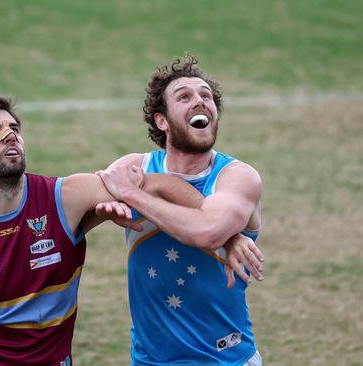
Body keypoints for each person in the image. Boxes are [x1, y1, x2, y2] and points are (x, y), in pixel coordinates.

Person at [0, 96, 261, 366]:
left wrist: (225, 231)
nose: (10, 136)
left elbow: (156, 183)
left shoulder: (65, 198)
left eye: (14, 129)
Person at [96, 54, 265, 365]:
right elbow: (86, 200)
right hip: (150, 361)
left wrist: (138, 194)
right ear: (162, 121)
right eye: (184, 96)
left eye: (206, 96)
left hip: (225, 359)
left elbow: (207, 231)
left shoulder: (237, 177)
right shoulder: (135, 167)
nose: (200, 101)